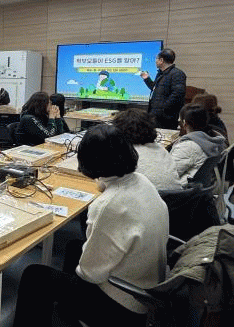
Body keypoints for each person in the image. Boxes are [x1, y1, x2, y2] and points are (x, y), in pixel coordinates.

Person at [13, 124, 169, 327]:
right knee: (73, 247)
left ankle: (75, 312)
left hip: (123, 305)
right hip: (146, 287)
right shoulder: (142, 181)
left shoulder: (108, 205)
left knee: (35, 276)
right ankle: (69, 313)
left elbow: (90, 274)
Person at [113, 108, 180, 190]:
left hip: (148, 196)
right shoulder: (161, 149)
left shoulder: (127, 154)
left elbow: (103, 186)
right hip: (176, 196)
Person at [171, 104, 226, 186]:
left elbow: (168, 173)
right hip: (203, 188)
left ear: (185, 124)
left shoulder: (188, 147)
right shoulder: (214, 139)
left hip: (184, 190)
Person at [140, 48, 186, 129]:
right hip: (156, 116)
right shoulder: (161, 74)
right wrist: (147, 79)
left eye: (156, 59)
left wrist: (162, 109)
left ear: (161, 60)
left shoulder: (177, 74)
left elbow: (177, 95)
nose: (155, 61)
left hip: (166, 118)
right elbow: (155, 89)